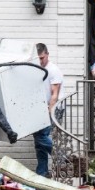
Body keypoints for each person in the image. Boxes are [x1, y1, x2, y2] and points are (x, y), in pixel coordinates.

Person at [31, 43, 64, 177]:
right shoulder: (37, 69)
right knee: (39, 140)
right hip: (42, 108)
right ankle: (42, 172)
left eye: (42, 58)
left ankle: (61, 158)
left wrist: (49, 113)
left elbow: (54, 94)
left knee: (41, 137)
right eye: (38, 58)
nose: (40, 61)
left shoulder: (53, 70)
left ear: (47, 54)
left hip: (54, 108)